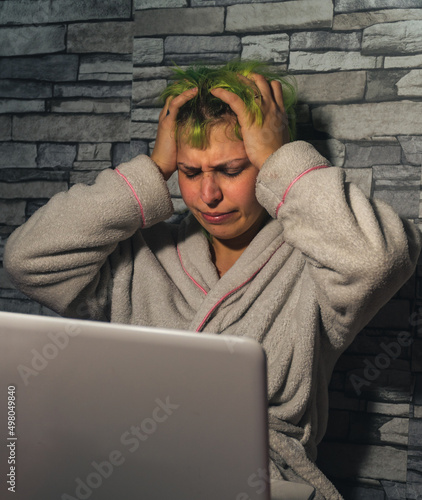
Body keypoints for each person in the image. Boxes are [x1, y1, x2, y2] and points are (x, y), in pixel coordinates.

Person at [4, 61, 421, 499]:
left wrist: (285, 158)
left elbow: (378, 261)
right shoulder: (143, 253)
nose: (208, 196)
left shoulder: (315, 263)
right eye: (189, 172)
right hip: (138, 468)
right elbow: (26, 260)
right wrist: (152, 168)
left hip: (264, 481)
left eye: (232, 169)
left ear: (266, 160)